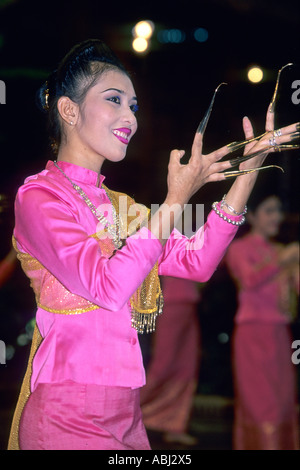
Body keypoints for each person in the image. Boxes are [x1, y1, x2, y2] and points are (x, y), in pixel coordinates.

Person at [7, 39, 299, 450]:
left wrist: (246, 176)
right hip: (67, 411)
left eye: (134, 105)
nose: (130, 117)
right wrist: (176, 199)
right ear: (69, 110)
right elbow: (107, 287)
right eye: (115, 100)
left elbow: (197, 262)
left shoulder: (122, 208)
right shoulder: (39, 198)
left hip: (127, 413)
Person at [226, 190, 299, 450]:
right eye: (269, 210)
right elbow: (249, 280)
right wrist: (283, 260)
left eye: (278, 210)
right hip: (252, 334)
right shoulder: (238, 249)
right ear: (253, 216)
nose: (276, 217)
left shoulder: (284, 251)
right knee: (261, 403)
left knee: (283, 401)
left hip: (280, 334)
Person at [140, 276, 201, 446]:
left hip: (188, 302)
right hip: (171, 300)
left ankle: (175, 425)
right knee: (163, 364)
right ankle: (124, 414)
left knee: (186, 367)